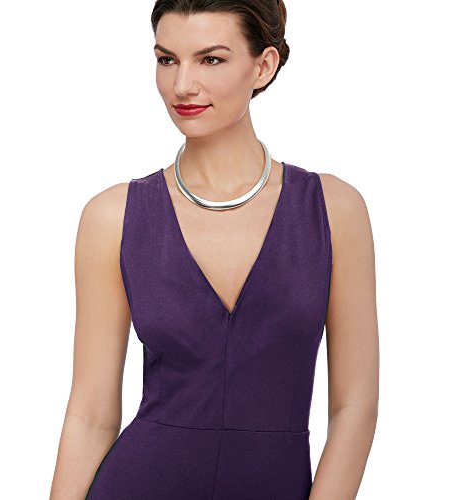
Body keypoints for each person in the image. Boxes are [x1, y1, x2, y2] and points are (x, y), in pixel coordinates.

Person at [50, 1, 379, 499]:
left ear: (263, 66)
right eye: (167, 60)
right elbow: (90, 415)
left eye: (211, 59)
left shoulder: (332, 210)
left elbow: (355, 407)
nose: (182, 85)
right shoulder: (113, 218)